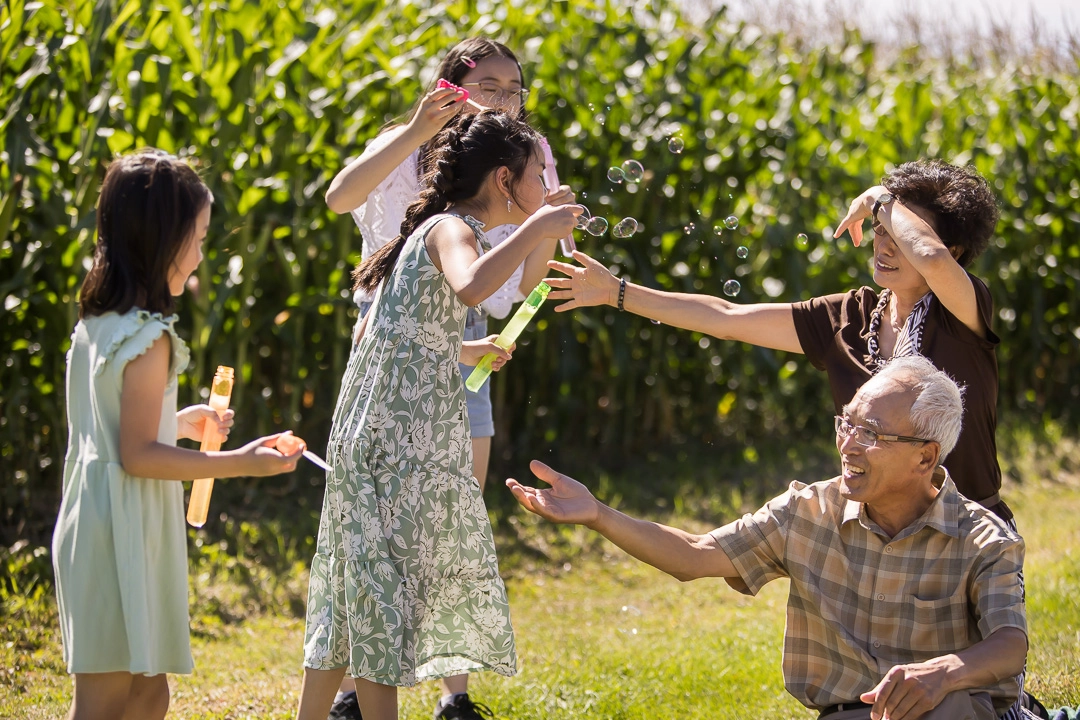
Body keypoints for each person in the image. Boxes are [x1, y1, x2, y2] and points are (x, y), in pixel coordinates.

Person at [508, 356, 1028, 720]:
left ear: (925, 457)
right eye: (846, 423)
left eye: (871, 433)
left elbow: (1010, 644)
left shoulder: (982, 538)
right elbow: (695, 555)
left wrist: (943, 673)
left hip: (952, 711)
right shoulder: (807, 511)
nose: (848, 443)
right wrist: (598, 514)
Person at [295, 111, 582, 720]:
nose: (547, 181)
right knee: (378, 601)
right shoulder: (453, 229)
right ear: (506, 180)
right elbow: (473, 288)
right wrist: (536, 226)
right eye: (538, 173)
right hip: (390, 445)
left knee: (359, 600)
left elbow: (387, 329)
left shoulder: (439, 227)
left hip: (381, 435)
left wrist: (459, 347)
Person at [546, 159, 1011, 523]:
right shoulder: (849, 315)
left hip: (966, 527)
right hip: (876, 530)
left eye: (899, 236)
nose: (884, 245)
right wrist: (616, 292)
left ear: (954, 254)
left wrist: (877, 198)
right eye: (878, 231)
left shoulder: (962, 311)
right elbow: (726, 316)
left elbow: (927, 254)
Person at [52, 150, 302, 720]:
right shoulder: (149, 336)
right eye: (200, 237)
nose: (201, 253)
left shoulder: (100, 323)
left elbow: (113, 421)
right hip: (119, 529)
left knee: (147, 691)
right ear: (163, 239)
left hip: (103, 519)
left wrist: (180, 423)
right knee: (106, 700)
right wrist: (240, 461)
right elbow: (137, 454)